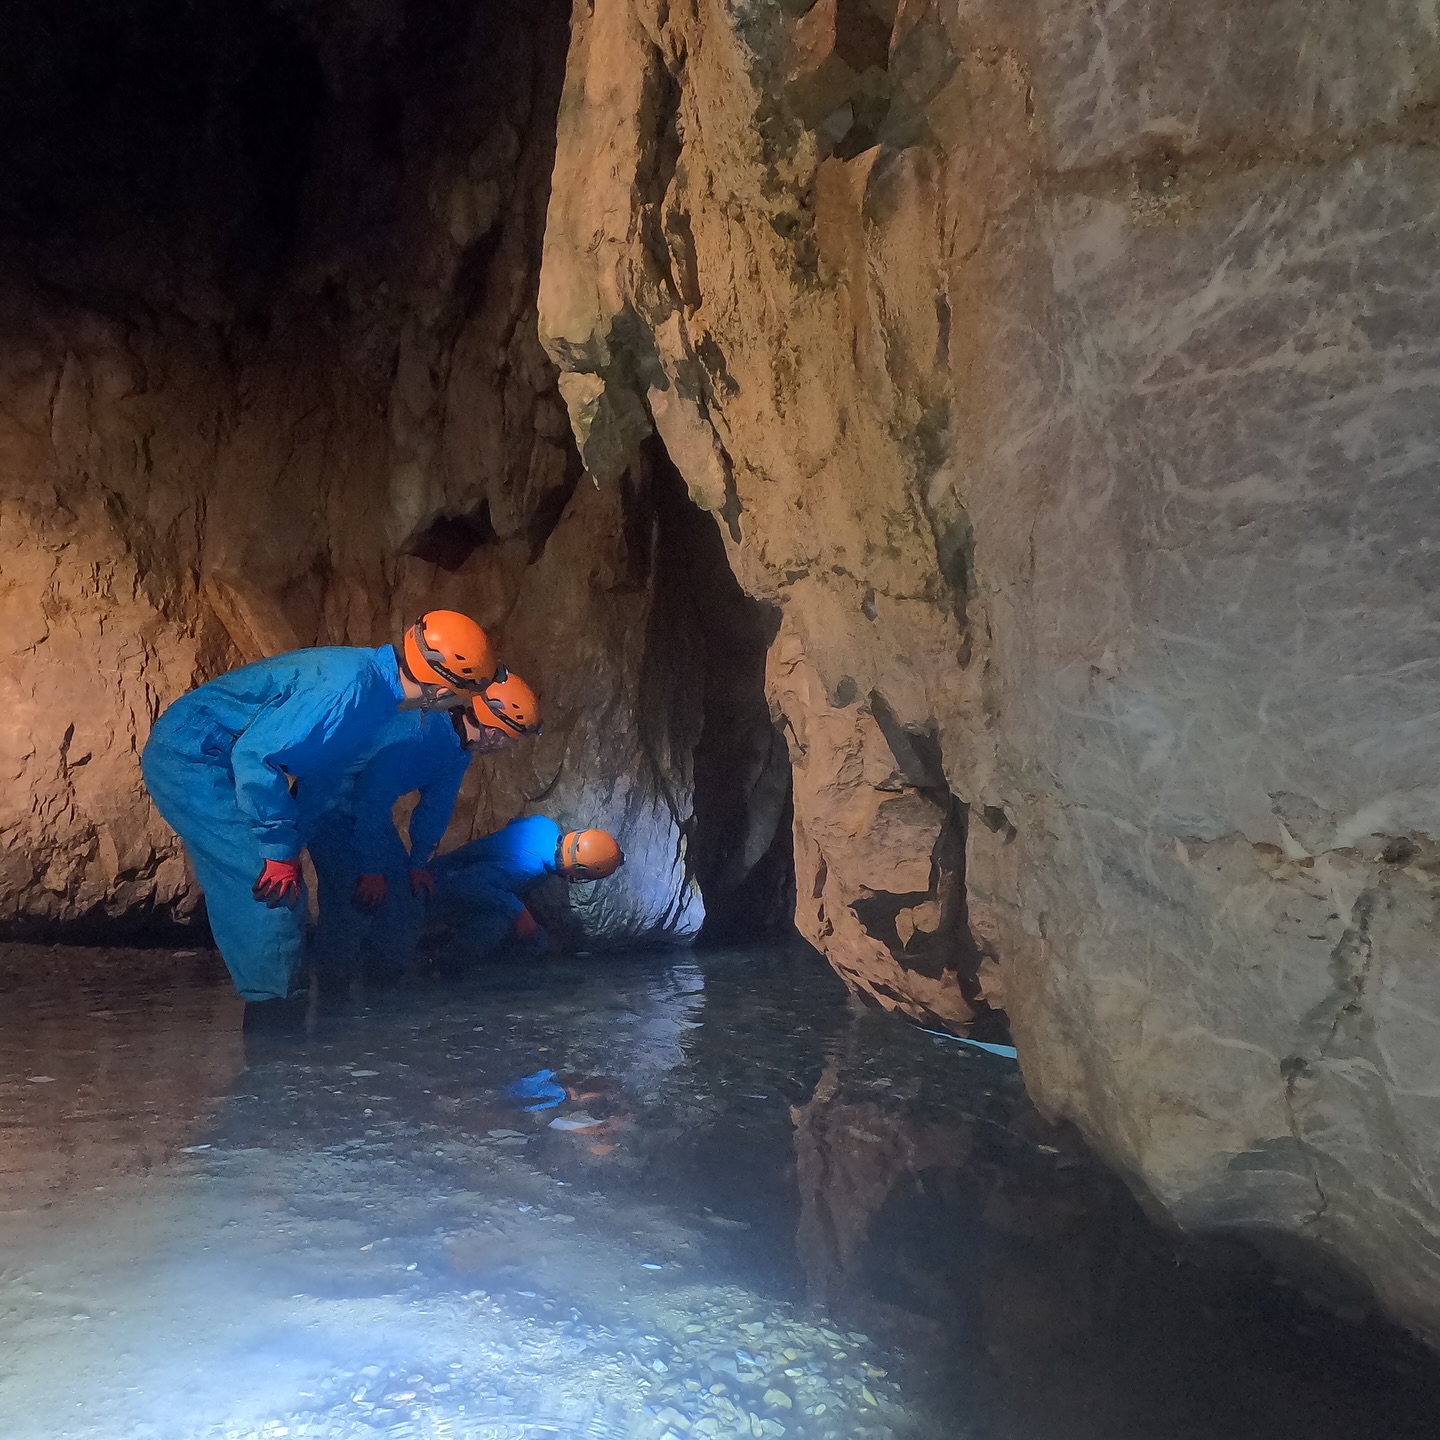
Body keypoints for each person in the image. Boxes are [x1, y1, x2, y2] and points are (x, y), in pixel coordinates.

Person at [140, 611, 498, 1031]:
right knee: (269, 888)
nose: (459, 705)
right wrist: (277, 848)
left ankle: (284, 1020)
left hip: (223, 755)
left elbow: (324, 774)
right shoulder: (351, 690)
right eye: (461, 694)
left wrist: (295, 836)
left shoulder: (378, 695)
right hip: (194, 756)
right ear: (440, 687)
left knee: (282, 884)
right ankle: (273, 1034)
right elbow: (256, 755)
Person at [302, 671, 542, 999]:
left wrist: (418, 863)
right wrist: (371, 870)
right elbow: (372, 795)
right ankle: (333, 1001)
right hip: (325, 802)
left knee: (405, 899)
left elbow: (435, 807)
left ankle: (382, 995)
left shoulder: (459, 747)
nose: (507, 745)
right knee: (354, 899)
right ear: (495, 729)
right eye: (509, 736)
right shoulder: (422, 733)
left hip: (359, 809)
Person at [427, 818, 624, 967]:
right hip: (439, 886)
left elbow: (513, 824)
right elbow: (470, 883)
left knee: (536, 935)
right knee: (504, 926)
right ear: (579, 871)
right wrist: (517, 911)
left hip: (449, 870)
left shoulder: (545, 825)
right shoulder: (530, 867)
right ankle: (441, 965)